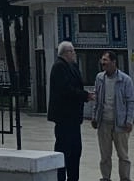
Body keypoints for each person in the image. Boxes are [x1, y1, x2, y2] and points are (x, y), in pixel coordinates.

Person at [91, 52, 134, 181]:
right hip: (103, 123)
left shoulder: (125, 79)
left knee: (123, 155)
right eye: (102, 60)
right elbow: (97, 99)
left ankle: (125, 178)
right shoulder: (99, 78)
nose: (103, 63)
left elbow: (131, 101)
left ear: (114, 62)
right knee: (105, 155)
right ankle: (106, 177)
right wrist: (94, 117)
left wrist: (129, 120)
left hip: (120, 123)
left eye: (105, 60)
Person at [49, 41, 90, 181]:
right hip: (64, 116)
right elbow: (66, 90)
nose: (74, 53)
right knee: (64, 149)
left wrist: (84, 95)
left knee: (75, 150)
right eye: (71, 51)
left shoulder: (73, 66)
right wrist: (85, 95)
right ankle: (60, 177)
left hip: (74, 117)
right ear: (65, 53)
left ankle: (73, 177)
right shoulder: (59, 67)